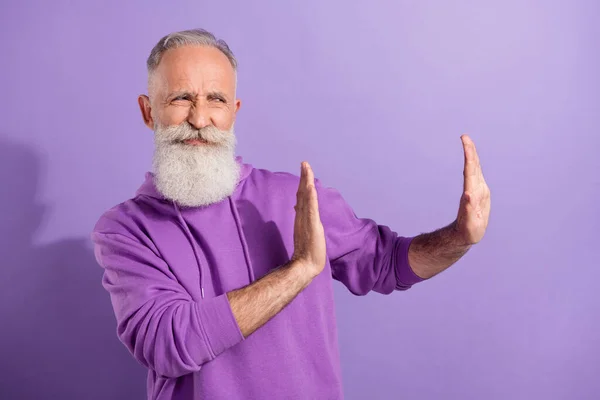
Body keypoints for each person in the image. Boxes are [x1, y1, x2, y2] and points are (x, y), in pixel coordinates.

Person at [91, 28, 491, 400]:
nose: (200, 119)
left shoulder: (296, 197)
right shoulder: (125, 230)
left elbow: (387, 263)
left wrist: (459, 237)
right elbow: (168, 343)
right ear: (148, 112)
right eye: (181, 98)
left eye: (216, 99)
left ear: (234, 110)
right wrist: (299, 270)